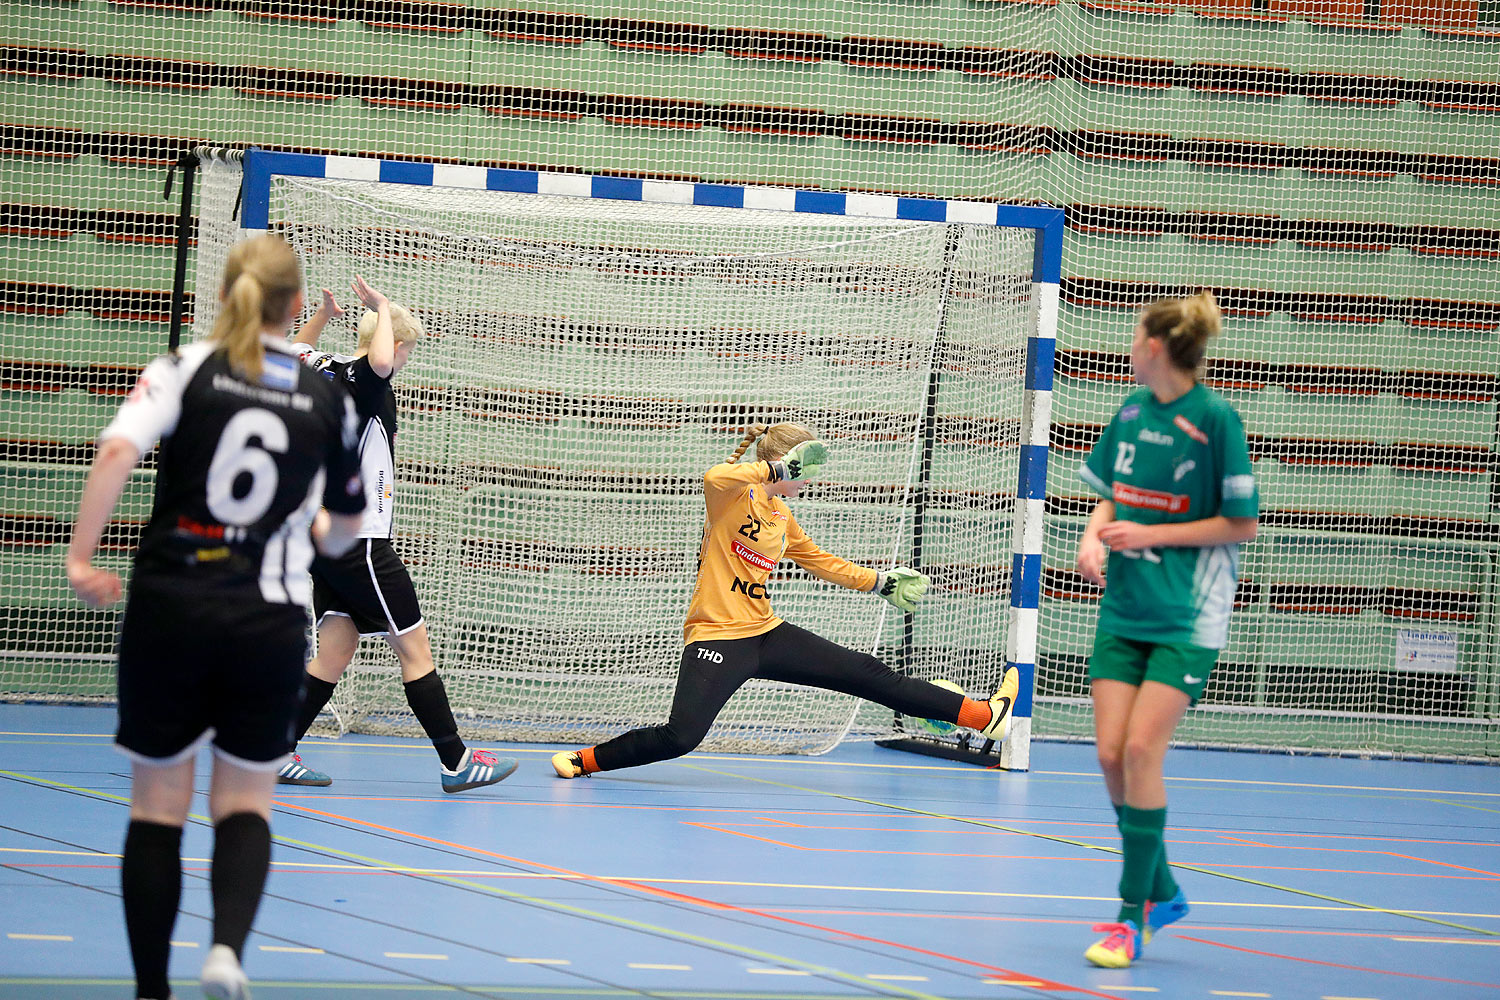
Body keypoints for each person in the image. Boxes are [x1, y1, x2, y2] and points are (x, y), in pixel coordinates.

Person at [66, 235, 367, 1000]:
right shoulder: (325, 398)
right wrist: (306, 521)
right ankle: (226, 952)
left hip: (172, 608)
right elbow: (343, 527)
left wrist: (81, 558)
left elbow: (113, 458)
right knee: (244, 802)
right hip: (266, 619)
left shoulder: (184, 368)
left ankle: (149, 989)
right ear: (296, 306)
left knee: (157, 809)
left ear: (227, 293)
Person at [550, 422, 1019, 779]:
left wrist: (879, 582)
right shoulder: (733, 498)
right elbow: (715, 475)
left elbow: (817, 559)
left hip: (766, 633)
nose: (809, 482)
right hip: (718, 637)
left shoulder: (780, 515)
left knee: (868, 674)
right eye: (806, 471)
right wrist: (776, 469)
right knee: (682, 737)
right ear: (787, 465)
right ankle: (583, 759)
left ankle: (983, 716)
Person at [1074, 292, 1258, 969]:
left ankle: (1132, 914)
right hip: (1124, 608)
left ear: (1156, 346)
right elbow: (1110, 496)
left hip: (1187, 616)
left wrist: (1150, 533)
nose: (1129, 344)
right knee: (1109, 756)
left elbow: (1241, 523)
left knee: (1143, 753)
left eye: (1134, 334)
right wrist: (1094, 538)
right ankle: (1167, 891)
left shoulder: (1215, 420)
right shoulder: (1128, 412)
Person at [277, 278, 517, 792]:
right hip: (361, 543)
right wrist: (382, 307)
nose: (404, 360)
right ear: (399, 344)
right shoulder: (365, 381)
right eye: (408, 350)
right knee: (415, 651)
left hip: (327, 543)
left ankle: (276, 750)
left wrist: (322, 315)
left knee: (335, 650)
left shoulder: (322, 368)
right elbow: (381, 363)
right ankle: (456, 761)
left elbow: (294, 347)